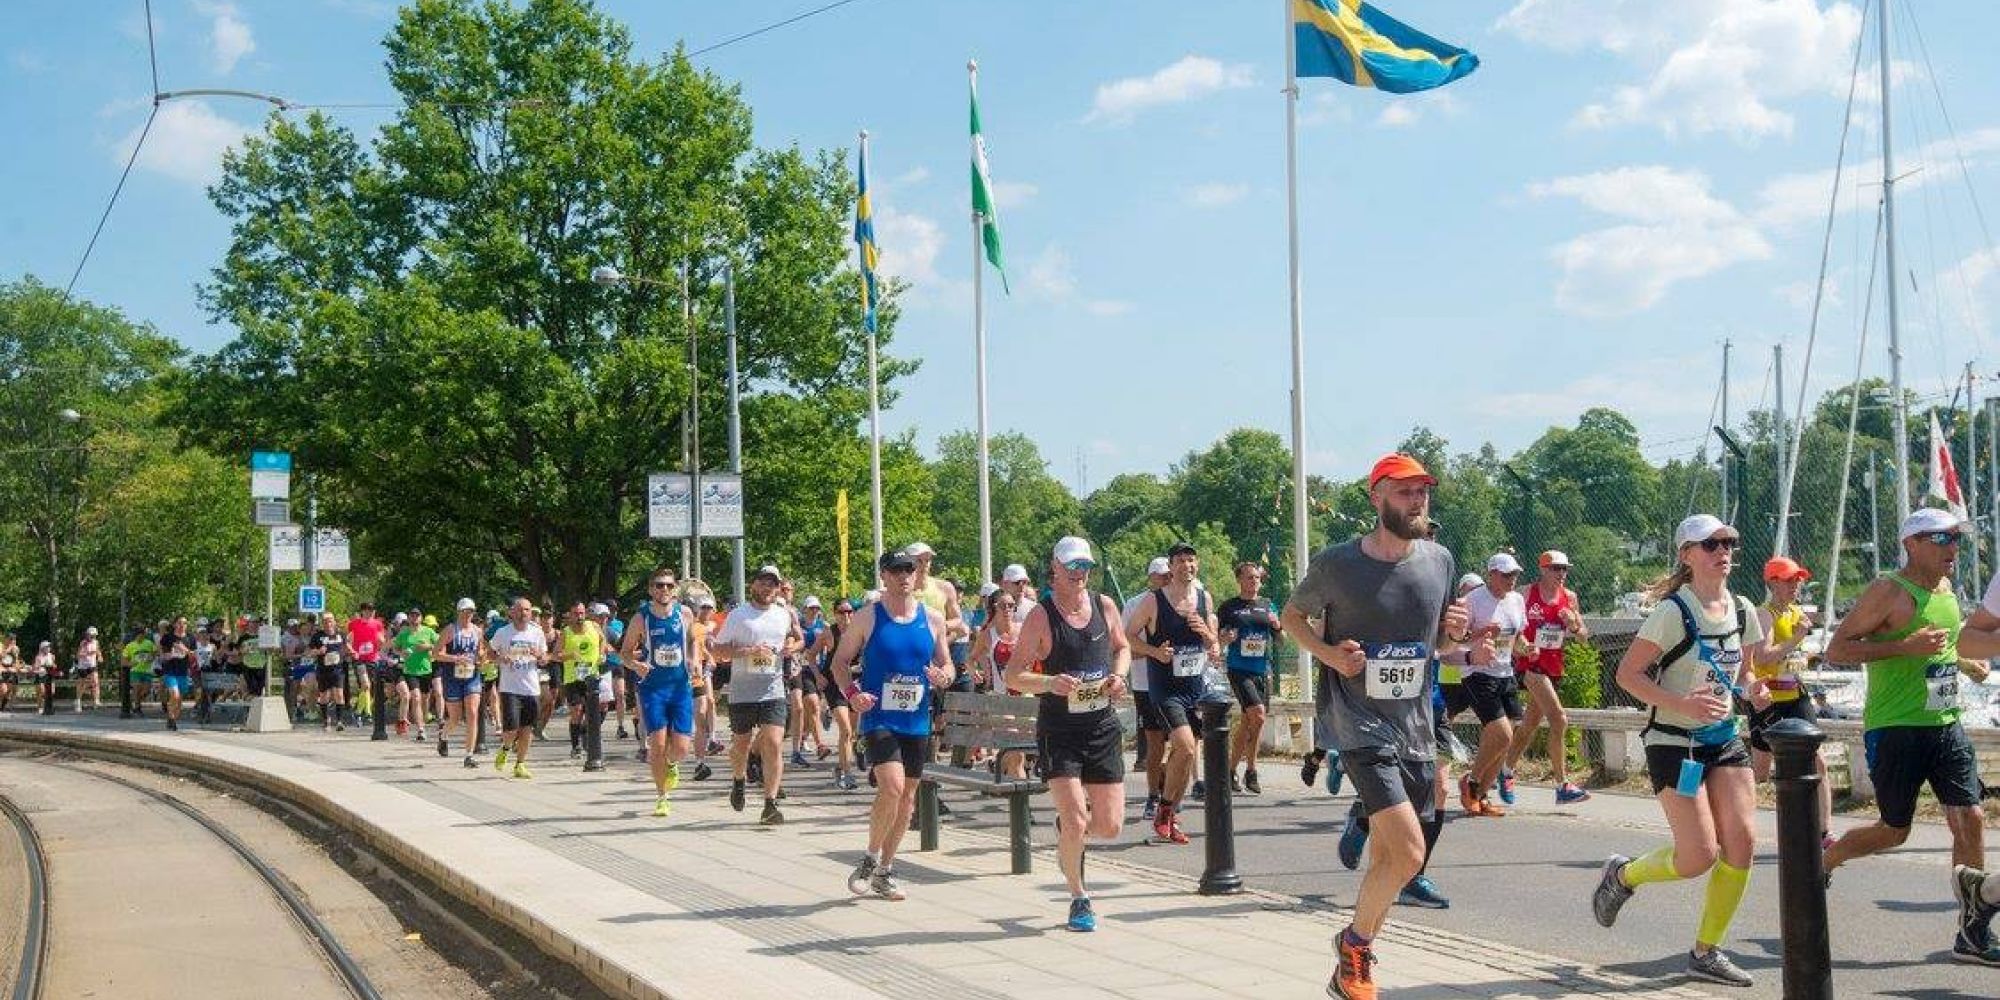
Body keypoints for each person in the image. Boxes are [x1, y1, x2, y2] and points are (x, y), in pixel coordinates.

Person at [1278, 453, 1469, 1000]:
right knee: (1409, 853)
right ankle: (1355, 944)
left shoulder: (1438, 561)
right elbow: (1292, 618)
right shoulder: (1338, 564)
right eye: (1405, 492)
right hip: (1359, 723)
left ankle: (1351, 961)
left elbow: (1436, 645)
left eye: (1423, 491)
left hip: (1415, 727)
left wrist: (1455, 633)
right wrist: (1330, 655)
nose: (1417, 500)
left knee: (1390, 860)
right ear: (1377, 497)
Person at [1591, 514, 1775, 988]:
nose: (1723, 551)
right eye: (1711, 544)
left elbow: (1744, 673)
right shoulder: (1673, 612)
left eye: (1728, 542)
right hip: (1674, 743)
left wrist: (1753, 691)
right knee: (1698, 856)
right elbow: (1627, 675)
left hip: (1723, 739)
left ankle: (1706, 952)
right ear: (1687, 555)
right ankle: (1624, 875)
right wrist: (1682, 704)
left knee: (1743, 843)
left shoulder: (1742, 609)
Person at [1825, 508, 2000, 965]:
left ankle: (1973, 929)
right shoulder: (1887, 591)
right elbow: (1837, 650)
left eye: (1957, 539)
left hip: (1945, 723)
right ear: (1912, 544)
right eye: (1942, 539)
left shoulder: (1946, 590)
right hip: (1895, 727)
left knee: (1970, 817)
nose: (1953, 548)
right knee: (1894, 830)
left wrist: (1966, 664)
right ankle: (1826, 859)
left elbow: (1941, 645)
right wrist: (1902, 647)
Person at [1007, 537, 1130, 930]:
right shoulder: (1041, 617)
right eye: (1072, 566)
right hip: (1060, 731)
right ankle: (1079, 898)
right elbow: (1013, 675)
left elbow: (1122, 647)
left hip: (1102, 727)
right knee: (1077, 820)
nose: (1080, 573)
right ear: (1055, 569)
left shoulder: (1104, 605)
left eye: (1085, 566)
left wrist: (1119, 676)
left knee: (1109, 826)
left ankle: (1068, 837)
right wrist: (1049, 683)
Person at [832, 549, 956, 902]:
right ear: (884, 576)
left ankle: (885, 870)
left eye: (909, 570)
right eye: (897, 570)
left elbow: (947, 665)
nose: (905, 576)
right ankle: (870, 858)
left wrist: (944, 677)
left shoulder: (933, 619)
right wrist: (853, 694)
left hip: (916, 720)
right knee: (892, 787)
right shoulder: (867, 617)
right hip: (879, 716)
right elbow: (840, 663)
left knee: (907, 799)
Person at [1123, 541, 1220, 846]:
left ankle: (1169, 813)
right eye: (1180, 561)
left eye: (1191, 560)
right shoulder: (1154, 601)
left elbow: (1213, 646)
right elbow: (1127, 637)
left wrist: (1208, 635)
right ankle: (1164, 810)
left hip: (1196, 688)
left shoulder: (1204, 598)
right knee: (1186, 747)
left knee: (1186, 752)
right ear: (1171, 566)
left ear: (1197, 565)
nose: (1186, 566)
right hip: (1165, 689)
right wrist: (1154, 652)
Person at [1747, 556, 1829, 840]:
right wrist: (1796, 638)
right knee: (1760, 771)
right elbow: (1763, 656)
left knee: (1818, 760)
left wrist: (1806, 656)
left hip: (1795, 694)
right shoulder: (1764, 614)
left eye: (1798, 579)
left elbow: (1790, 657)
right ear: (1772, 583)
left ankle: (1824, 832)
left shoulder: (1796, 612)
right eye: (1789, 580)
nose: (1796, 585)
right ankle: (1735, 825)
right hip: (1769, 698)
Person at [712, 565, 800, 824]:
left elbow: (798, 638)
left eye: (772, 584)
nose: (767, 588)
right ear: (753, 585)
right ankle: (738, 780)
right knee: (741, 744)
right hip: (743, 691)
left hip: (773, 689)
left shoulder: (784, 614)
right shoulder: (739, 615)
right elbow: (718, 650)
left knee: (774, 743)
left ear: (778, 588)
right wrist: (748, 651)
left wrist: (792, 646)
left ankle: (770, 804)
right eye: (763, 582)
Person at [1504, 549, 1592, 805]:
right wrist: (1519, 645)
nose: (1561, 574)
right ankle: (1562, 785)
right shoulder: (1525, 594)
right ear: (1543, 569)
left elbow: (1584, 637)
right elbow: (1510, 623)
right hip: (1529, 665)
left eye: (1565, 569)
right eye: (1556, 568)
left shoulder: (1569, 597)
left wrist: (1573, 624)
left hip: (1553, 667)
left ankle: (1505, 770)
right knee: (1559, 719)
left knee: (1529, 726)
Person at [1456, 553, 1529, 818]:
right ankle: (1472, 782)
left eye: (1515, 575)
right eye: (1507, 575)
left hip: (1505, 672)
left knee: (1506, 739)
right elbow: (1456, 639)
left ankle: (1482, 796)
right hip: (1478, 672)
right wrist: (1483, 632)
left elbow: (1517, 637)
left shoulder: (1516, 600)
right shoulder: (1472, 601)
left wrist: (1526, 648)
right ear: (1492, 574)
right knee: (1502, 734)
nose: (1512, 579)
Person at [619, 570, 697, 813]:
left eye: (669, 586)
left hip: (680, 687)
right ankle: (662, 797)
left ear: (675, 589)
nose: (664, 590)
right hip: (653, 689)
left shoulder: (685, 613)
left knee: (681, 748)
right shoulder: (641, 618)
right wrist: (636, 665)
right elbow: (624, 653)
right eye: (659, 585)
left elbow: (693, 640)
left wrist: (694, 659)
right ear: (651, 589)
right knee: (657, 744)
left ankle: (672, 764)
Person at [1219, 561, 1283, 795]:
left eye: (1257, 577)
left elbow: (1280, 640)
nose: (1254, 581)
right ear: (1239, 580)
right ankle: (1251, 770)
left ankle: (1233, 771)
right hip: (1239, 668)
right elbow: (1219, 637)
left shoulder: (1268, 605)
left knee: (1251, 721)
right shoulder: (1229, 607)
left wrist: (1278, 627)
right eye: (1249, 577)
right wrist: (1226, 637)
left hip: (1262, 670)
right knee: (1258, 714)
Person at [1126, 557, 1172, 819]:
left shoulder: (1180, 600)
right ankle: (1154, 796)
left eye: (1169, 575)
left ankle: (1171, 792)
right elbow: (1126, 647)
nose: (1166, 579)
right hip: (1146, 683)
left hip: (1177, 683)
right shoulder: (1135, 604)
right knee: (1155, 743)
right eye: (1161, 575)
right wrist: (1155, 653)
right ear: (1151, 577)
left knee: (1184, 742)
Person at [969, 586, 1028, 779]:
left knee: (1017, 752)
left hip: (1025, 697)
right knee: (1017, 751)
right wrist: (974, 672)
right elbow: (971, 659)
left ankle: (997, 765)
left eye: (1012, 605)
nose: (1008, 609)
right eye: (1003, 606)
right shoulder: (988, 635)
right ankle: (1019, 792)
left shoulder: (1024, 630)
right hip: (1000, 699)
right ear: (994, 608)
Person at [489, 598, 549, 780]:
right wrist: (501, 658)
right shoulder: (503, 632)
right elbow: (490, 652)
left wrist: (540, 656)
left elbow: (544, 657)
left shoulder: (537, 632)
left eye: (527, 610)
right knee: (511, 729)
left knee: (527, 728)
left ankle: (520, 764)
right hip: (510, 688)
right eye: (520, 610)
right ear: (512, 612)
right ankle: (505, 748)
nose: (524, 613)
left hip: (531, 688)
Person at [815, 599, 861, 790]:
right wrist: (818, 676)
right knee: (846, 730)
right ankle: (847, 774)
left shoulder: (859, 631)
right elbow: (810, 655)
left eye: (850, 611)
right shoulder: (829, 633)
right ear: (835, 614)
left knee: (853, 732)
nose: (846, 615)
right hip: (834, 684)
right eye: (842, 612)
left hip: (854, 684)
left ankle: (841, 767)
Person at [437, 599, 486, 767]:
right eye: (465, 611)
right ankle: (444, 736)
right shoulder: (450, 630)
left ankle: (469, 755)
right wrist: (455, 658)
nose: (468, 614)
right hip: (452, 678)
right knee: (455, 719)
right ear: (458, 612)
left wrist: (481, 658)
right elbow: (436, 653)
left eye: (471, 611)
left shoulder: (477, 631)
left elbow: (481, 651)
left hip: (472, 676)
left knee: (472, 712)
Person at [556, 602, 606, 767]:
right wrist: (570, 655)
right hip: (573, 678)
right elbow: (556, 655)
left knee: (596, 709)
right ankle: (575, 745)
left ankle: (588, 738)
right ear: (570, 615)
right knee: (577, 711)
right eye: (576, 614)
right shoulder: (566, 632)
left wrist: (601, 654)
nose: (580, 617)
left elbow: (603, 640)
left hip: (592, 676)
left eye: (582, 613)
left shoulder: (594, 626)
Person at [793, 596, 831, 767]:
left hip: (820, 670)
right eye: (811, 607)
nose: (814, 610)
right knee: (812, 704)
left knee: (812, 710)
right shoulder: (797, 626)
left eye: (817, 608)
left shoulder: (824, 626)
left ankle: (803, 736)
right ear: (805, 609)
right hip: (802, 669)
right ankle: (820, 745)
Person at [687, 595, 718, 780]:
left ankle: (699, 763)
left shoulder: (699, 628)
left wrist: (709, 657)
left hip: (696, 679)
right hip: (677, 679)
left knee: (701, 714)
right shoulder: (676, 627)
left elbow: (700, 647)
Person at [347, 603, 388, 732]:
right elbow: (348, 641)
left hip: (372, 659)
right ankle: (368, 713)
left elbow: (382, 640)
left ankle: (358, 712)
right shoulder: (354, 624)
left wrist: (382, 643)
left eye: (372, 610)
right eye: (367, 610)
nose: (369, 612)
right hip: (359, 658)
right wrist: (352, 651)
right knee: (366, 684)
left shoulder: (378, 624)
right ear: (362, 611)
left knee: (369, 687)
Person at [309, 612, 349, 731]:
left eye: (330, 621)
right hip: (323, 670)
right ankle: (326, 720)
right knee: (324, 696)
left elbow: (346, 647)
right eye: (325, 622)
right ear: (323, 623)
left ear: (334, 622)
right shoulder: (317, 636)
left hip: (337, 669)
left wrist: (352, 652)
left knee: (339, 695)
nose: (328, 624)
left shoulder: (341, 635)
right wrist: (318, 651)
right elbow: (310, 652)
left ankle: (340, 721)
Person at [156, 616, 197, 731]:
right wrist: (168, 655)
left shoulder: (190, 638)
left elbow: (193, 655)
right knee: (175, 694)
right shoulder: (168, 637)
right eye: (179, 623)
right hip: (170, 670)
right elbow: (161, 653)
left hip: (183, 671)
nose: (182, 625)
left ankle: (172, 718)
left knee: (179, 700)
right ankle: (172, 719)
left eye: (184, 623)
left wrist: (184, 649)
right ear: (174, 624)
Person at [121, 627, 156, 716]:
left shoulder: (149, 643)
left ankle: (135, 702)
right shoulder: (130, 646)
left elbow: (155, 653)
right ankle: (137, 708)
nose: (139, 637)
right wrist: (130, 663)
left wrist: (152, 657)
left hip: (147, 671)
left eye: (141, 635)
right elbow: (123, 661)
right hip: (135, 671)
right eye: (137, 635)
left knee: (146, 691)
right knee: (136, 688)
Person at [74, 625, 103, 711]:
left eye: (94, 635)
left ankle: (96, 700)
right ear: (87, 635)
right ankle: (78, 701)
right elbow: (78, 655)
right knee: (82, 684)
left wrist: (100, 656)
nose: (93, 637)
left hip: (92, 665)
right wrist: (89, 653)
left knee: (95, 681)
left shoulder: (96, 642)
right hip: (83, 666)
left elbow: (98, 650)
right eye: (91, 635)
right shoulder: (83, 643)